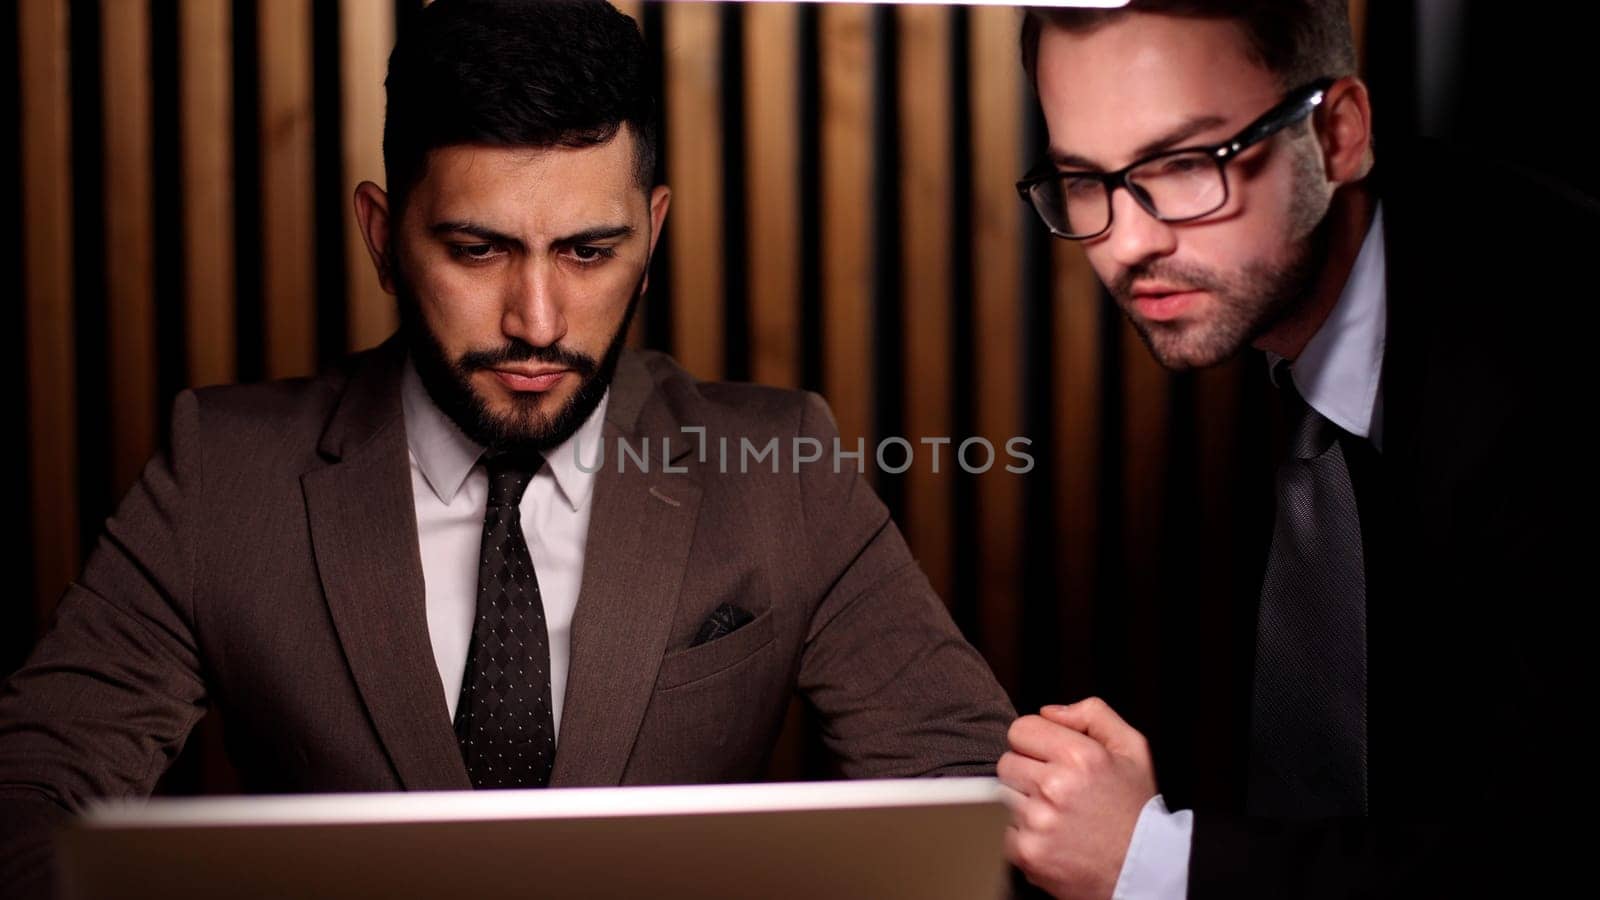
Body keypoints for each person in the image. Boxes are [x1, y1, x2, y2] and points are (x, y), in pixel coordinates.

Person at [0, 2, 1013, 896]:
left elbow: (961, 786)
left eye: (587, 251)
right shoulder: (219, 473)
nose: (536, 319)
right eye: (479, 250)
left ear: (652, 237)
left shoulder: (783, 467)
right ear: (383, 235)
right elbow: (30, 795)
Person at [1001, 2, 1590, 897]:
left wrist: (1156, 864)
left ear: (1339, 135)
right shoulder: (1273, 325)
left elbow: (1550, 848)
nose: (1128, 244)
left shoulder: (1555, 351)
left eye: (1187, 163)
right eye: (1087, 181)